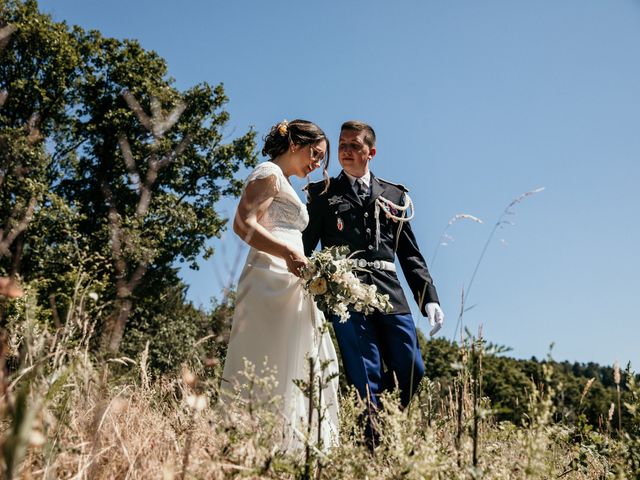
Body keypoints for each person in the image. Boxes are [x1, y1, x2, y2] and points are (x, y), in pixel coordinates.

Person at [303, 120, 444, 444]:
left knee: (412, 367)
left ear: (371, 152)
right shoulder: (321, 194)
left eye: (354, 145)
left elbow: (409, 254)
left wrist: (429, 298)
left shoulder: (395, 195)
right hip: (344, 297)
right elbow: (304, 250)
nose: (346, 151)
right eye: (341, 145)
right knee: (365, 375)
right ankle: (372, 450)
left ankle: (377, 427)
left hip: (391, 294)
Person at [220, 119, 340, 452]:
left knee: (300, 360)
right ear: (295, 145)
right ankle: (252, 444)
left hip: (292, 282)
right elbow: (243, 224)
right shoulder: (268, 174)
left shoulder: (284, 180)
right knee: (266, 359)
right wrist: (287, 251)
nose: (317, 164)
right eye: (315, 154)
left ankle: (292, 447)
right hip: (269, 279)